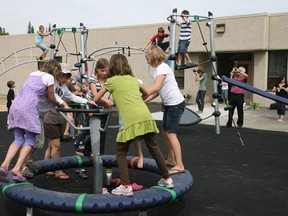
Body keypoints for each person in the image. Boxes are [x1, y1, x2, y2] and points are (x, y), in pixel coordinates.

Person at [94, 54, 174, 196]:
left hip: (130, 119)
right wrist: (138, 102)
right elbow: (148, 92)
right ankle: (167, 178)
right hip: (144, 115)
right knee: (153, 146)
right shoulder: (133, 79)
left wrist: (108, 102)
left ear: (112, 66)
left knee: (120, 151)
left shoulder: (111, 81)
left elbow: (96, 98)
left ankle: (126, 186)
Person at [0, 60, 60, 183]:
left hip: (16, 105)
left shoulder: (33, 73)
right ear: (54, 70)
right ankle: (17, 168)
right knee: (30, 140)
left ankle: (4, 165)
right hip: (29, 107)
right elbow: (52, 97)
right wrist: (61, 104)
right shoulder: (49, 77)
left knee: (18, 139)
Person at [43, 63, 96, 180]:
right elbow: (53, 96)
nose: (66, 78)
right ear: (58, 74)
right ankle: (57, 170)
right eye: (64, 75)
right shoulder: (53, 83)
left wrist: (87, 102)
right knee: (56, 146)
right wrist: (64, 103)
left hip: (58, 117)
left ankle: (45, 166)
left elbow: (72, 97)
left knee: (51, 146)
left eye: (67, 76)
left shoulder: (63, 86)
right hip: (51, 117)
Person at [144, 45, 186, 175]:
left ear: (153, 57)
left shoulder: (162, 68)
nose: (147, 61)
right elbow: (157, 92)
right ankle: (171, 159)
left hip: (175, 104)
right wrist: (142, 100)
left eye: (147, 58)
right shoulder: (159, 69)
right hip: (169, 105)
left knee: (171, 133)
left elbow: (155, 88)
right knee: (165, 132)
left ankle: (180, 164)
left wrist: (139, 95)